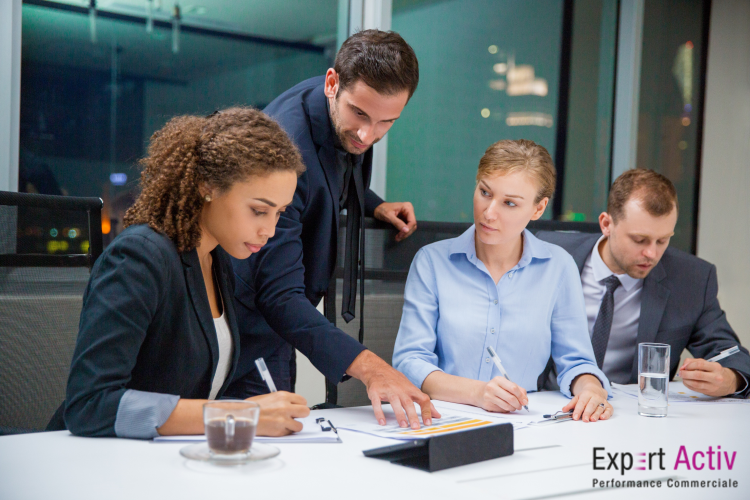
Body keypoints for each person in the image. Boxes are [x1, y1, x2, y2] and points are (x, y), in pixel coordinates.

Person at [227, 30, 439, 429]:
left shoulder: (342, 104)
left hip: (281, 318)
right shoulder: (286, 154)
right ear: (332, 83)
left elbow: (333, 171)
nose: (368, 135)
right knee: (258, 443)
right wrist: (373, 368)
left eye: (386, 122)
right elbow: (277, 294)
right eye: (360, 114)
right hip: (246, 324)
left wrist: (371, 203)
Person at [64, 107, 311, 438]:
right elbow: (90, 405)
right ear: (208, 186)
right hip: (100, 458)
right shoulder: (139, 257)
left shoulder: (215, 259)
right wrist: (238, 415)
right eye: (258, 210)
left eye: (279, 213)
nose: (270, 230)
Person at [393, 140, 613, 422]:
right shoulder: (432, 262)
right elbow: (410, 361)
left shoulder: (558, 267)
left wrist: (591, 389)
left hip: (522, 422)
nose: (489, 212)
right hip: (442, 420)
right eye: (485, 192)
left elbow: (577, 361)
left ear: (538, 209)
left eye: (509, 203)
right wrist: (478, 393)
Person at [537, 169, 750, 397]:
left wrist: (731, 379)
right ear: (606, 224)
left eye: (662, 240)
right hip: (548, 401)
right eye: (640, 240)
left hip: (630, 409)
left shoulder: (691, 279)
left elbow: (730, 352)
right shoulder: (546, 253)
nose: (652, 253)